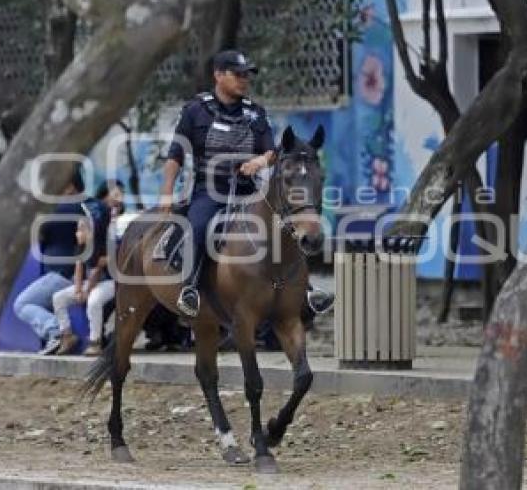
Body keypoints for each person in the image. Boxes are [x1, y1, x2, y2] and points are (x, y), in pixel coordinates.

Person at [160, 49, 334, 318]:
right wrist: (166, 193)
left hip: (250, 191)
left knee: (287, 225)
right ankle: (190, 289)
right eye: (238, 75)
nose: (244, 80)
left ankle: (306, 290)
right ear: (218, 75)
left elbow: (273, 151)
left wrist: (260, 162)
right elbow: (175, 155)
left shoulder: (256, 113)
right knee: (198, 226)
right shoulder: (195, 110)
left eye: (247, 76)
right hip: (211, 190)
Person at [13, 168, 86, 355]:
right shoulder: (80, 207)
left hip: (62, 275)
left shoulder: (67, 207)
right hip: (67, 274)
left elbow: (34, 230)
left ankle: (57, 332)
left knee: (21, 304)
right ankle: (58, 333)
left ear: (70, 186)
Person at [50, 180, 123, 356]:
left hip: (110, 281)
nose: (77, 233)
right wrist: (77, 290)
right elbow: (79, 268)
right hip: (92, 282)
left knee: (94, 300)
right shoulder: (81, 246)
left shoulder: (100, 244)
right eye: (77, 229)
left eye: (81, 230)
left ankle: (95, 341)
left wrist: (87, 291)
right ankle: (66, 334)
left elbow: (97, 270)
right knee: (58, 298)